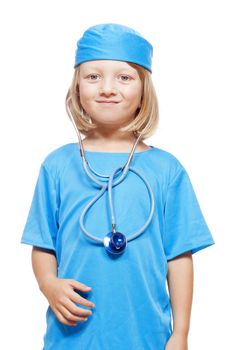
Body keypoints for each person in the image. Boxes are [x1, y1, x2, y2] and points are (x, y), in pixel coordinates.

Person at [20, 23, 215, 350]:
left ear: (144, 92)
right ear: (77, 88)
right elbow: (43, 244)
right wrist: (48, 284)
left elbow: (179, 256)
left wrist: (180, 333)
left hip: (147, 337)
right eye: (93, 76)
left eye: (124, 77)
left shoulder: (167, 169)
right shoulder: (57, 165)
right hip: (72, 338)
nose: (107, 88)